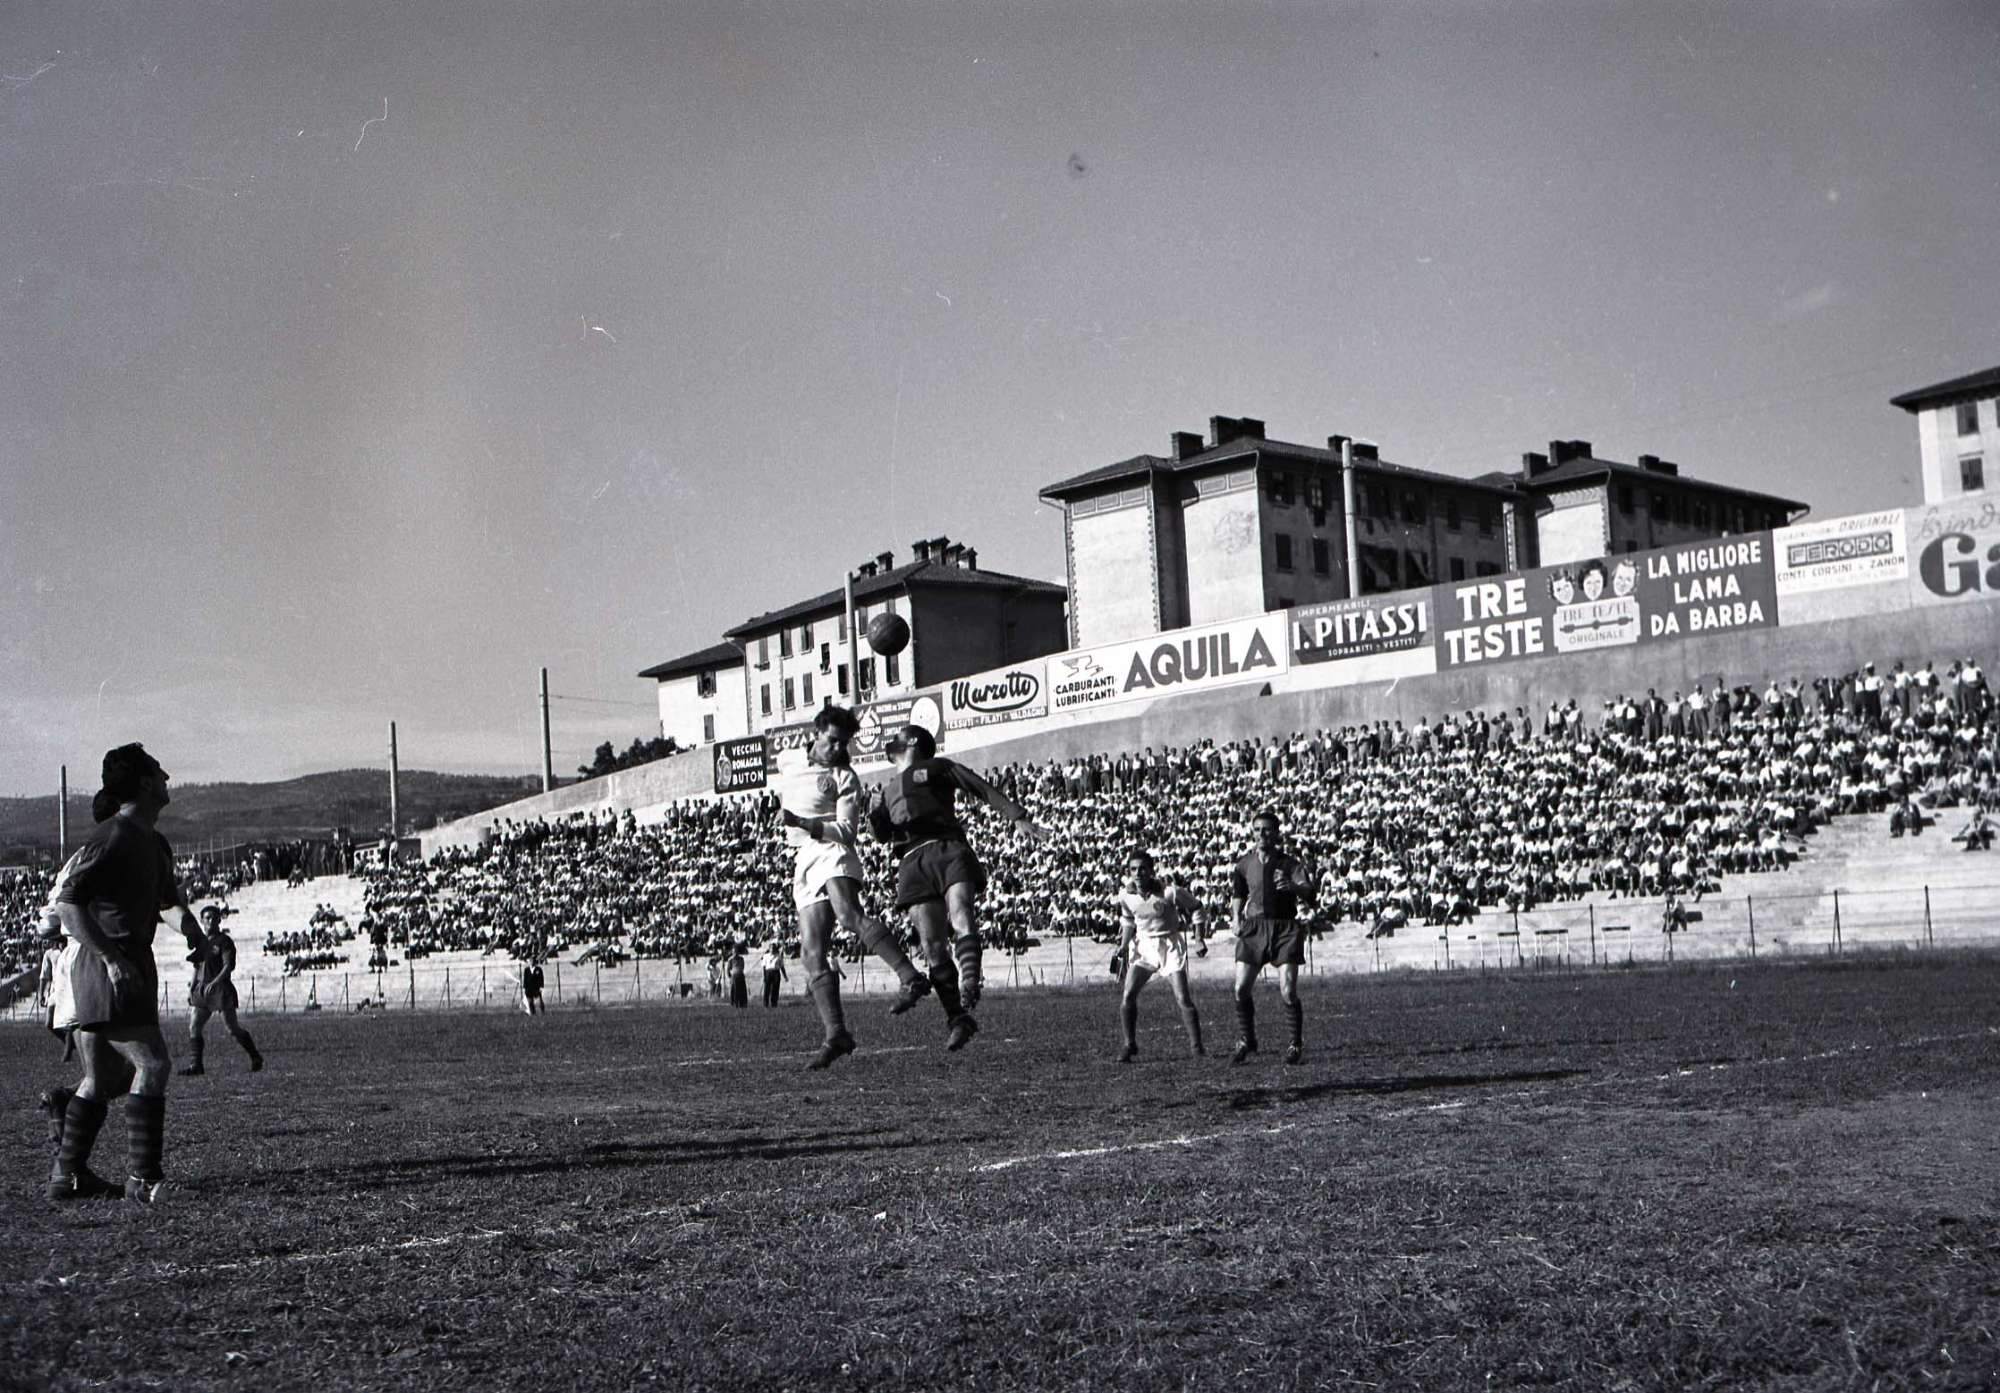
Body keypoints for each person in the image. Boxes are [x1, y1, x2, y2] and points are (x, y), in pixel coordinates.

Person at [47, 744, 210, 1204]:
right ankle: (143, 1179)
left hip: (128, 961)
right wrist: (112, 960)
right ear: (143, 782)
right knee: (153, 1064)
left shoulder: (154, 843)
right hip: (110, 965)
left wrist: (192, 930)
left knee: (101, 1080)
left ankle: (67, 1176)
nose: (167, 777)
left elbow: (166, 903)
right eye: (159, 771)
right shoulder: (112, 836)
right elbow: (68, 905)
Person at [870, 723, 1051, 1050]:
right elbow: (882, 836)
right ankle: (958, 1018)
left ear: (912, 741)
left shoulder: (936, 767)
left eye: (898, 736)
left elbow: (977, 785)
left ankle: (970, 982)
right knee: (932, 945)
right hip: (911, 860)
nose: (892, 740)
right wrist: (874, 817)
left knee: (961, 914)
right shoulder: (885, 791)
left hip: (947, 847)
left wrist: (1016, 815)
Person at [776, 704, 933, 1069]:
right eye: (832, 740)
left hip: (832, 849)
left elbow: (847, 832)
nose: (837, 748)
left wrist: (800, 821)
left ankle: (910, 977)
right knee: (811, 953)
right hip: (804, 857)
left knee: (848, 914)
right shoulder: (787, 760)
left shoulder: (845, 777)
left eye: (843, 742)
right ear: (816, 734)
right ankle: (837, 1034)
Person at [1229, 809, 1312, 1066]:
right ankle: (1247, 1039)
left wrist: (1293, 887)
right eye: (1257, 830)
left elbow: (1310, 891)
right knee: (1240, 989)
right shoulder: (1244, 864)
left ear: (1276, 833)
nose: (1261, 834)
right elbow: (1238, 894)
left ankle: (1295, 1044)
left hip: (1284, 929)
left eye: (1267, 829)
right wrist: (1235, 918)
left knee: (1288, 991)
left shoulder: (1290, 864)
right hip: (1254, 929)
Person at [1112, 850, 1207, 1062]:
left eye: (1142, 869)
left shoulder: (1169, 891)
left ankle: (1197, 1048)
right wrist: (1124, 944)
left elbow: (1197, 908)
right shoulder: (1126, 895)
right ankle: (1129, 1044)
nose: (1138, 873)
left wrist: (1199, 938)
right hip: (1144, 947)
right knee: (1128, 995)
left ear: (1151, 870)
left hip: (1169, 945)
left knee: (1183, 998)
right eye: (1133, 869)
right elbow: (1128, 920)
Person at [181, 905, 263, 1075]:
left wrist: (215, 982)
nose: (210, 921)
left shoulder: (224, 941)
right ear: (202, 920)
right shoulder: (201, 941)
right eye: (207, 918)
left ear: (219, 920)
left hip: (220, 989)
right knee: (194, 1026)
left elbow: (228, 966)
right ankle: (196, 1065)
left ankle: (255, 1056)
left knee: (232, 1029)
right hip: (202, 989)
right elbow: (197, 966)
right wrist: (192, 987)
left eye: (214, 918)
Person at [759, 936, 787, 1008]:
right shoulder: (765, 956)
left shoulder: (778, 956)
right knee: (767, 989)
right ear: (769, 949)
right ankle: (765, 1004)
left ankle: (774, 1003)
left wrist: (785, 976)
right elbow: (764, 967)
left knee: (775, 988)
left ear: (775, 949)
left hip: (776, 973)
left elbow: (782, 967)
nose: (772, 949)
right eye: (771, 948)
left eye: (774, 948)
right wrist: (764, 976)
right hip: (768, 972)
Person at [727, 941, 749, 1008]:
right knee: (734, 990)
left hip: (740, 975)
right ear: (732, 952)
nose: (735, 953)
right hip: (734, 976)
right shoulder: (730, 959)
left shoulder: (741, 959)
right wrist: (730, 976)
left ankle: (742, 1003)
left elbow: (742, 967)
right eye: (734, 951)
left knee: (742, 990)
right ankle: (734, 1003)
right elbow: (728, 969)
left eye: (736, 951)